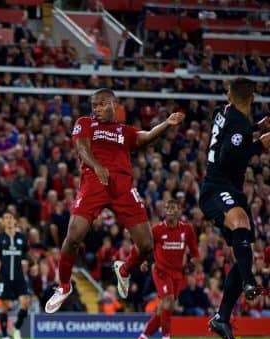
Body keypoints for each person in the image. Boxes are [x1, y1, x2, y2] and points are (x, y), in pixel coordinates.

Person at [44, 88, 185, 313]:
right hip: (94, 185)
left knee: (147, 245)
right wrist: (97, 165)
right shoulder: (85, 123)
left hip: (123, 188)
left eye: (101, 104)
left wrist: (167, 123)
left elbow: (146, 137)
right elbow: (81, 148)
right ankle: (63, 286)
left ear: (114, 104)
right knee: (73, 237)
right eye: (94, 106)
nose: (96, 109)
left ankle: (125, 270)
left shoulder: (124, 131)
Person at [199, 77, 270, 339]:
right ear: (251, 98)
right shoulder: (239, 123)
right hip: (216, 187)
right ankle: (250, 282)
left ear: (231, 95)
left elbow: (231, 138)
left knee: (244, 250)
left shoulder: (223, 111)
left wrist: (255, 128)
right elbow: (232, 154)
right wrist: (261, 144)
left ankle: (222, 317)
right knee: (240, 221)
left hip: (229, 188)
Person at [133, 199, 199, 339]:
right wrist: (142, 260)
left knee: (163, 308)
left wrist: (193, 262)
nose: (169, 210)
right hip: (161, 271)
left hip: (178, 274)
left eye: (173, 207)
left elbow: (195, 252)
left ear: (179, 210)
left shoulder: (187, 229)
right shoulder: (156, 230)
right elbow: (143, 245)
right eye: (167, 207)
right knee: (168, 302)